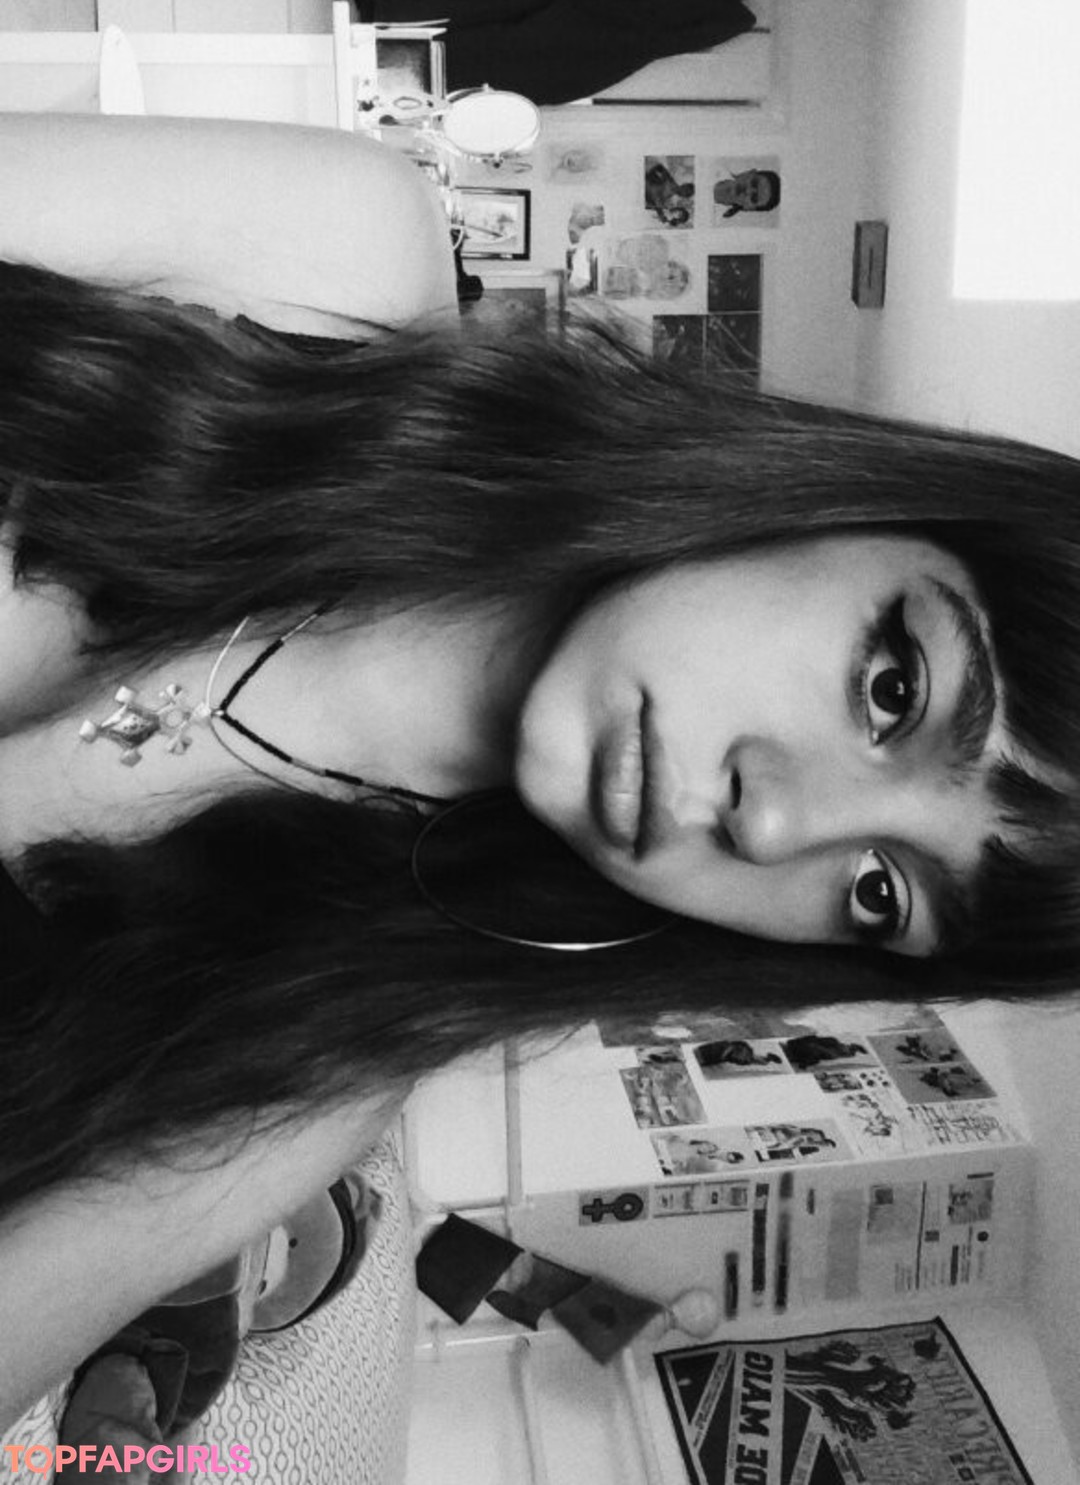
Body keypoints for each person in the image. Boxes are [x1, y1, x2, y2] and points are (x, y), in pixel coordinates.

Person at [1, 113, 1080, 1430]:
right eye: (894, 688)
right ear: (849, 498)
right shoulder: (323, 249)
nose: (775, 824)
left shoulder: (301, 1067)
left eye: (879, 892)